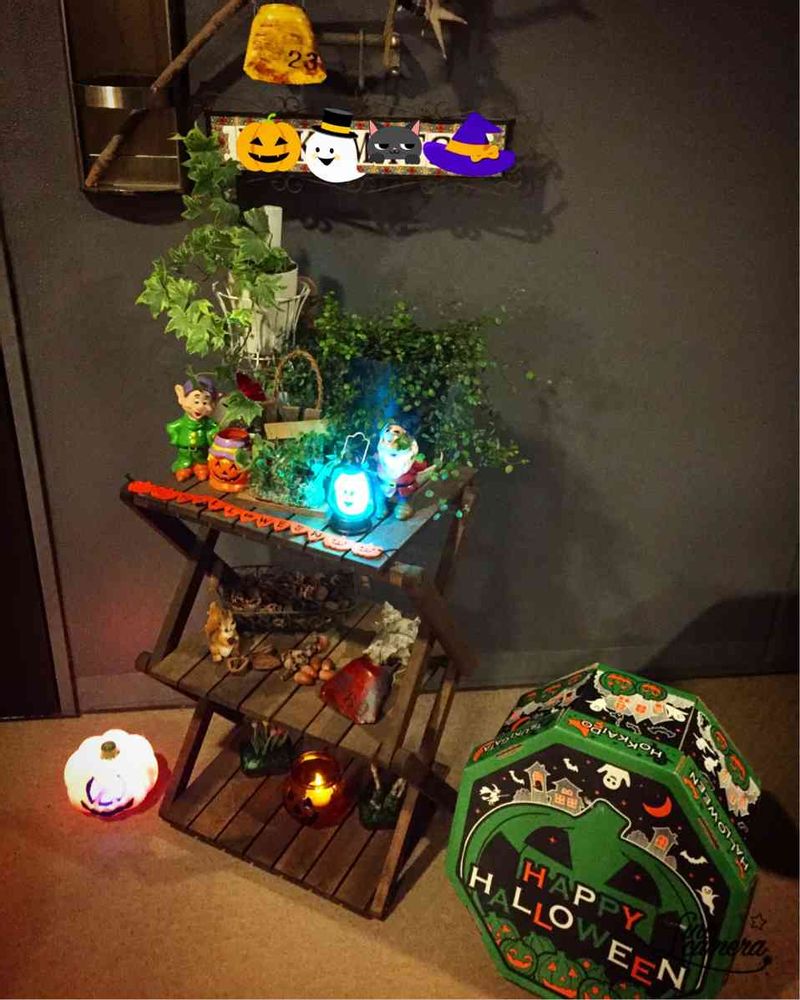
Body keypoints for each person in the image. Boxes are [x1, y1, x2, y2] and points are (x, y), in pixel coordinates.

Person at [166, 375, 219, 482]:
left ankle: (200, 467)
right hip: (184, 452)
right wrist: (175, 438)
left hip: (201, 452)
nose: (200, 407)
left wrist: (212, 434)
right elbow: (171, 427)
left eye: (205, 403)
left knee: (202, 465)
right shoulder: (182, 422)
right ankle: (184, 469)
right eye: (196, 402)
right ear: (182, 398)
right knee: (183, 464)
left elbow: (215, 428)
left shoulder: (208, 423)